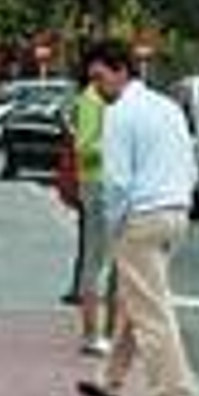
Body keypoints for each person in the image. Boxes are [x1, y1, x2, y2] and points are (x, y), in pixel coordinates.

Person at [75, 38, 198, 396]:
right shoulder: (167, 107)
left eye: (99, 78)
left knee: (151, 313)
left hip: (141, 217)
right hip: (175, 211)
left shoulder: (118, 115)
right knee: (136, 302)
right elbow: (190, 161)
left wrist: (114, 228)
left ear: (121, 70)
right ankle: (109, 381)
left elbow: (117, 183)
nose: (97, 89)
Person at [71, 69, 115, 356]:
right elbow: (85, 146)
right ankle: (92, 332)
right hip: (97, 182)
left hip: (104, 182)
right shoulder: (91, 99)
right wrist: (117, 146)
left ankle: (106, 330)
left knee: (105, 259)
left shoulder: (98, 99)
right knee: (97, 259)